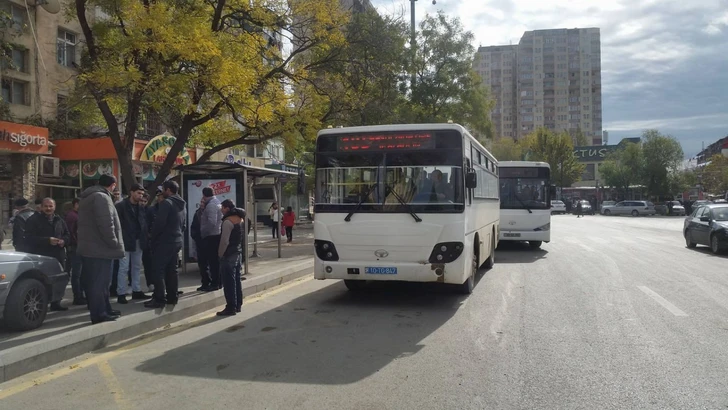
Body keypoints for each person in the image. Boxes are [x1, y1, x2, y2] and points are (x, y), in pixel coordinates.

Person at [77, 175, 125, 324]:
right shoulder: (101, 198)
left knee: (101, 282)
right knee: (99, 283)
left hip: (92, 247)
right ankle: (99, 313)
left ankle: (106, 309)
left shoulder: (90, 196)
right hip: (100, 247)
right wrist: (114, 242)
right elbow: (106, 224)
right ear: (113, 185)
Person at [145, 180, 186, 308]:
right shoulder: (181, 204)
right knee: (172, 270)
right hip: (177, 240)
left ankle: (159, 298)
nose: (162, 191)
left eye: (163, 189)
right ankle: (172, 297)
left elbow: (159, 224)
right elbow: (183, 224)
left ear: (168, 190)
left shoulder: (166, 203)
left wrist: (152, 237)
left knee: (158, 270)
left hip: (164, 241)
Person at [25, 198, 71, 312]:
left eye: (50, 206)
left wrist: (63, 241)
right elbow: (28, 238)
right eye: (46, 206)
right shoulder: (33, 220)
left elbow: (67, 234)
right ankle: (40, 305)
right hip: (41, 255)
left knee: (59, 280)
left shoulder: (59, 219)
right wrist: (47, 240)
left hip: (58, 255)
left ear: (54, 207)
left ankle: (56, 302)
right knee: (43, 281)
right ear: (41, 207)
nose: (48, 208)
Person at [115, 183, 150, 304]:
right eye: (138, 193)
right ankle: (121, 293)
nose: (140, 196)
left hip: (138, 240)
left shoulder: (141, 207)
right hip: (125, 240)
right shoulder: (121, 206)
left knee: (136, 267)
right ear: (131, 192)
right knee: (123, 268)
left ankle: (136, 290)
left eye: (142, 193)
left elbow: (143, 223)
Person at [217, 200, 245, 316]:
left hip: (229, 254)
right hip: (237, 252)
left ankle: (230, 307)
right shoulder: (240, 219)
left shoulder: (227, 222)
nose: (221, 210)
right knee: (236, 279)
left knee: (228, 282)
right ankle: (238, 304)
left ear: (227, 208)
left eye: (222, 208)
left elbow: (224, 241)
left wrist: (220, 254)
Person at [200, 187, 223, 291]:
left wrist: (203, 231)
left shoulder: (211, 205)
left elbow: (212, 223)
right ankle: (218, 282)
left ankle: (215, 283)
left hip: (212, 236)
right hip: (216, 235)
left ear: (204, 195)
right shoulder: (217, 202)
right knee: (215, 261)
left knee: (213, 262)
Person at [65, 198, 86, 305]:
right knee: (77, 273)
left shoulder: (77, 215)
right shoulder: (72, 216)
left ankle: (80, 295)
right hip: (75, 247)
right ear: (76, 204)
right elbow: (72, 233)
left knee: (80, 273)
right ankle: (78, 296)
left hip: (79, 247)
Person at [191, 198, 210, 291]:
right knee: (202, 265)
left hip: (209, 241)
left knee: (211, 263)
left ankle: (213, 281)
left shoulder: (210, 212)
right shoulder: (197, 213)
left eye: (204, 202)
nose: (202, 204)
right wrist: (195, 236)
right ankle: (205, 282)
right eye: (201, 202)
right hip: (200, 241)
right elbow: (193, 227)